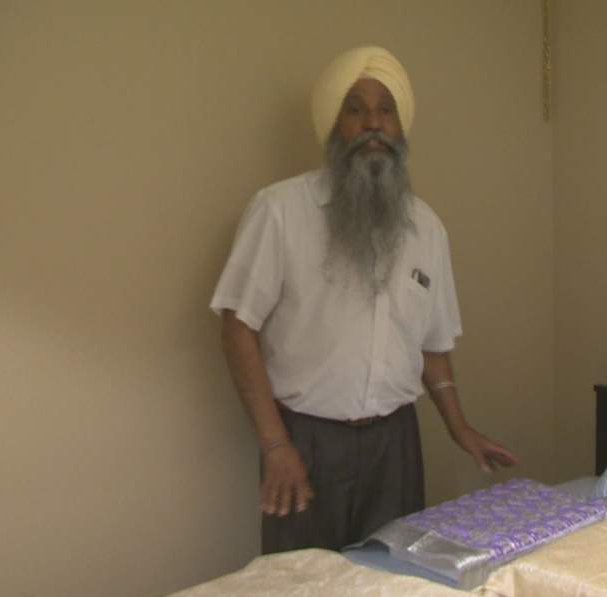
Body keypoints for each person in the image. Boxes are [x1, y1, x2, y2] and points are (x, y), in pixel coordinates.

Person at [211, 46, 517, 554]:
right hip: (305, 443)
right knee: (299, 593)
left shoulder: (427, 228)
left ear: (401, 127)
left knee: (391, 592)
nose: (373, 123)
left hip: (396, 445)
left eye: (386, 110)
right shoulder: (280, 211)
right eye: (355, 109)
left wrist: (459, 427)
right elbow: (236, 326)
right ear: (334, 124)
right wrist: (275, 446)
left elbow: (433, 345)